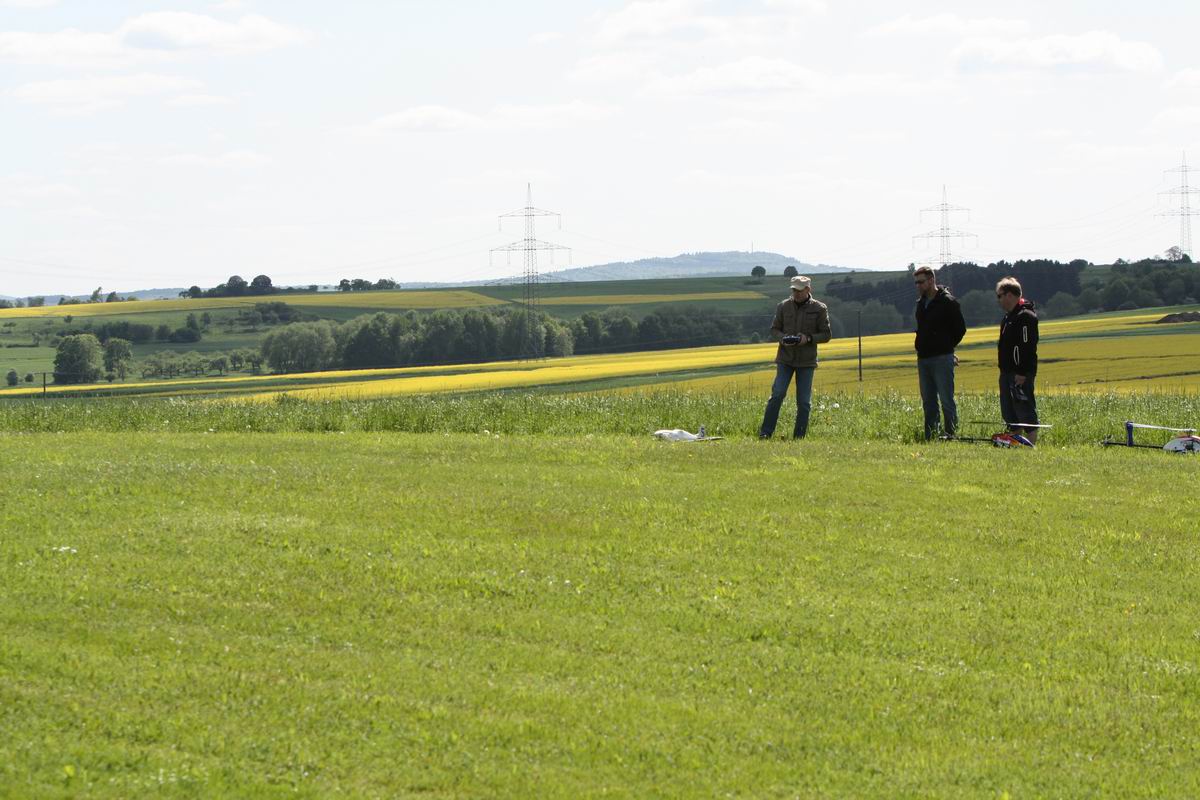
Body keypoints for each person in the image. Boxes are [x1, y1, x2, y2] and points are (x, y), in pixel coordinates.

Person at [759, 275, 832, 439]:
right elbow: (774, 330)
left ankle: (799, 437)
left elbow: (826, 335)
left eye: (799, 290)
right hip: (785, 359)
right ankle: (765, 433)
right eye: (794, 290)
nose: (796, 294)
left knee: (804, 402)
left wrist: (808, 338)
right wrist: (783, 338)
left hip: (807, 361)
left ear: (808, 289)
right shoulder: (783, 306)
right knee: (777, 394)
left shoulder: (820, 308)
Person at [913, 265, 966, 439]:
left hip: (942, 357)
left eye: (921, 282)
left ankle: (950, 434)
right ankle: (931, 435)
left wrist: (947, 347)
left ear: (931, 280)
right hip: (923, 358)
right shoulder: (921, 304)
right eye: (916, 283)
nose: (918, 285)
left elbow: (960, 329)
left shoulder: (948, 302)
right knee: (928, 401)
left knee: (946, 400)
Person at [996, 276, 1040, 444]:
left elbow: (1028, 346)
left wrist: (1022, 372)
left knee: (1024, 409)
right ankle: (1014, 442)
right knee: (1009, 412)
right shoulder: (1008, 317)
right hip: (1006, 371)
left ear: (1009, 295)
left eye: (1000, 296)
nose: (999, 300)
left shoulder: (1025, 316)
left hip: (1020, 373)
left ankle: (1031, 444)